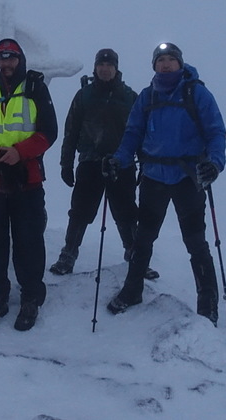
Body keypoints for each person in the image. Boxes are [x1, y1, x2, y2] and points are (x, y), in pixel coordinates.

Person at [105, 42, 226, 324]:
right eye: (161, 60)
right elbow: (132, 134)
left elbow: (215, 131)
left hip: (188, 177)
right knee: (143, 238)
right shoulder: (147, 96)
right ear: (154, 66)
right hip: (153, 177)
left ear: (180, 64)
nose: (166, 64)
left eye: (171, 59)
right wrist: (118, 160)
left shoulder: (197, 92)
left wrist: (215, 163)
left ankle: (207, 304)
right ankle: (133, 291)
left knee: (195, 241)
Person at [0, 38, 58, 331]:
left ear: (20, 61)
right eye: (2, 59)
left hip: (26, 179)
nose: (6, 64)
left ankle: (31, 298)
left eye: (12, 59)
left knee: (29, 241)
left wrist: (21, 153)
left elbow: (49, 131)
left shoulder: (36, 90)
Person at [51, 49, 157, 280]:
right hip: (90, 162)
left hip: (123, 163)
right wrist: (65, 164)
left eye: (109, 65)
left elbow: (142, 132)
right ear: (95, 67)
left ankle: (135, 256)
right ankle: (68, 255)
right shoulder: (84, 95)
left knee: (127, 212)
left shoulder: (130, 96)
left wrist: (144, 163)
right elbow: (71, 131)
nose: (105, 69)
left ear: (116, 68)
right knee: (80, 211)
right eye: (101, 64)